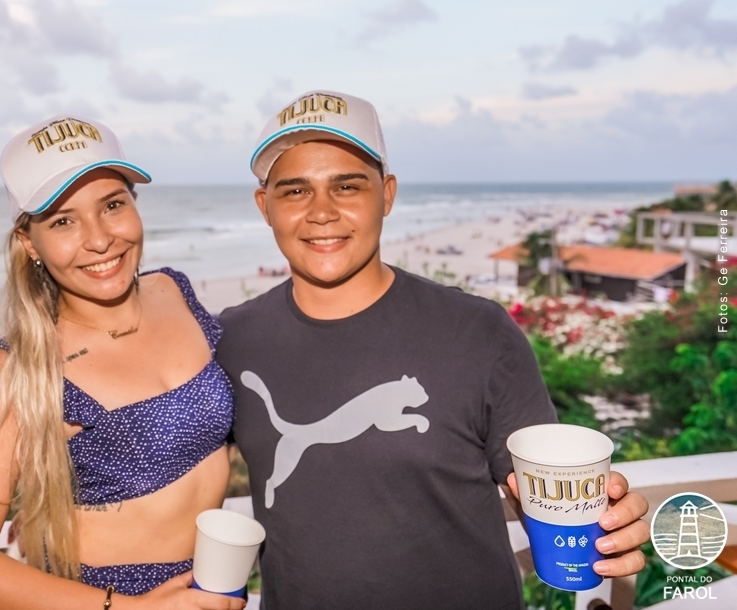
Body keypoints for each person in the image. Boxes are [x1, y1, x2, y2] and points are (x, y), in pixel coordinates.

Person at [216, 90, 651, 609]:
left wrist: (607, 523)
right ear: (265, 207)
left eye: (347, 186)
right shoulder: (230, 340)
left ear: (387, 195)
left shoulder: (479, 331)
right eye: (295, 191)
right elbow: (173, 476)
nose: (322, 212)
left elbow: (537, 490)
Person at [0, 115, 245, 610]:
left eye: (112, 205)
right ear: (29, 242)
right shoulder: (18, 370)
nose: (99, 239)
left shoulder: (173, 291)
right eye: (63, 221)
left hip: (211, 590)